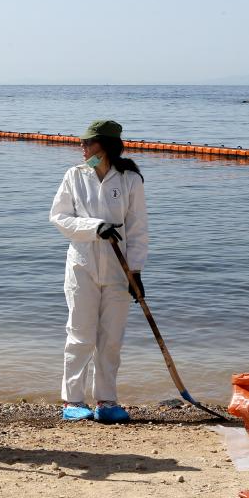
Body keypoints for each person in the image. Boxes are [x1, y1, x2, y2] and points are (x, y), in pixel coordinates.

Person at [50, 120, 149, 422]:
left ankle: (106, 401)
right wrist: (94, 228)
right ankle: (73, 401)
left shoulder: (130, 179)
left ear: (105, 146)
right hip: (82, 266)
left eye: (88, 143)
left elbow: (138, 229)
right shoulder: (74, 176)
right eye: (82, 143)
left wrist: (136, 272)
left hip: (119, 270)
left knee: (112, 338)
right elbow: (59, 217)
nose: (82, 149)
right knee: (80, 335)